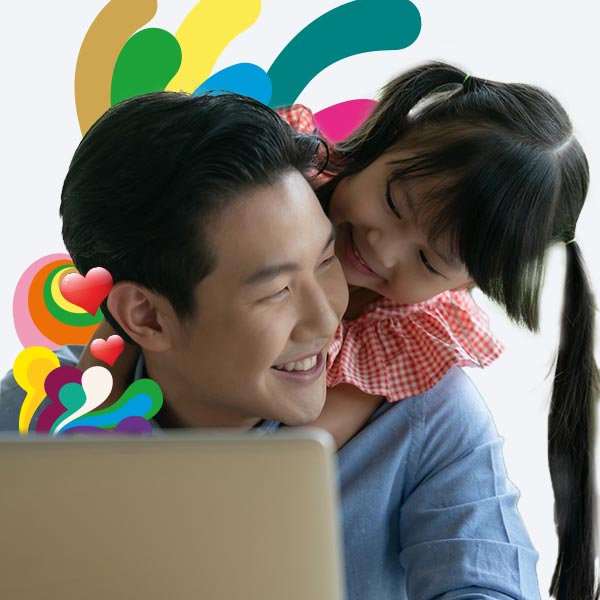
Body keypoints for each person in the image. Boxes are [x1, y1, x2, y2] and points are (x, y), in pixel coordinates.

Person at [79, 62, 598, 600]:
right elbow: (117, 320)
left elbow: (300, 452)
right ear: (388, 138)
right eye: (395, 204)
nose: (381, 248)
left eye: (430, 258)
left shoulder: (417, 379)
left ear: (467, 283)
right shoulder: (281, 177)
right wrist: (97, 431)